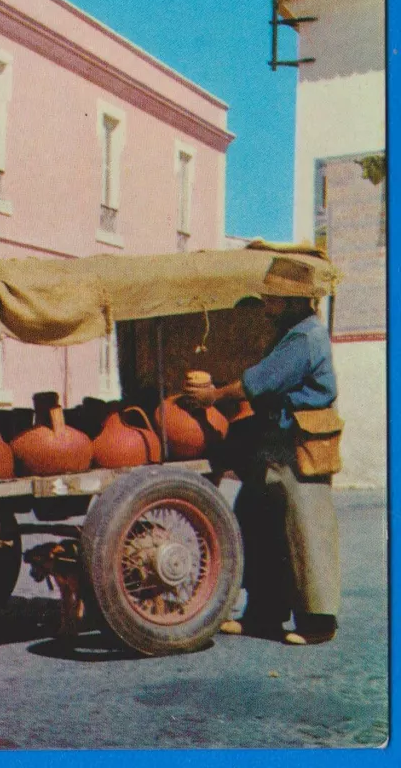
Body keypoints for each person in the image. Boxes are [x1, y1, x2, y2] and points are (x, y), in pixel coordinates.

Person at [186, 256, 340, 646]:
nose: (267, 305)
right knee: (258, 522)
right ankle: (263, 615)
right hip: (276, 440)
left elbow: (259, 382)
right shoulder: (291, 332)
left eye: (272, 299)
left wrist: (214, 396)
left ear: (291, 301)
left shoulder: (304, 338)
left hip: (299, 444)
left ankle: (317, 622)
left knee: (304, 530)